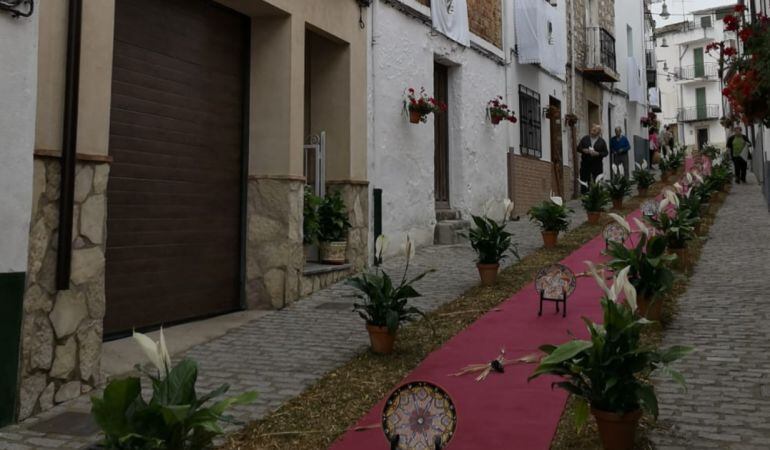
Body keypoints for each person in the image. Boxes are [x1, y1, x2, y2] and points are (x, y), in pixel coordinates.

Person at [577, 124, 609, 193]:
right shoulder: (585, 138)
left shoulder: (601, 141)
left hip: (597, 165)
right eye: (592, 128)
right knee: (584, 182)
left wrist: (598, 153)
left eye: (595, 129)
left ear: (599, 132)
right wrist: (584, 150)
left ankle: (597, 198)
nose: (593, 130)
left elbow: (606, 152)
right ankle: (585, 198)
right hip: (585, 164)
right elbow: (578, 148)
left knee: (597, 182)